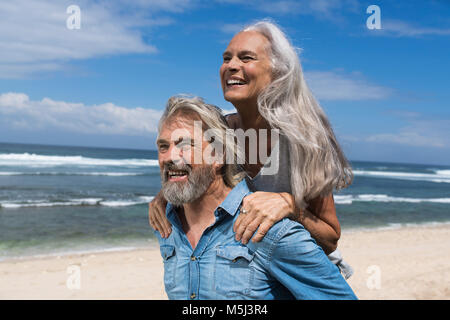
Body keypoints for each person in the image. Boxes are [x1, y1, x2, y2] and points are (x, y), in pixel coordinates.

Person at [149, 20, 354, 279]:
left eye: (246, 58)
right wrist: (163, 197)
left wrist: (290, 205)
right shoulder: (218, 133)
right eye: (227, 58)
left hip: (303, 277)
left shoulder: (306, 140)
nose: (232, 65)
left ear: (278, 72)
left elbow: (331, 238)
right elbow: (190, 172)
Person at [154, 95, 357, 300]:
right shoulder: (166, 224)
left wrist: (292, 206)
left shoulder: (269, 230)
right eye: (163, 146)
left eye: (185, 145)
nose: (169, 157)